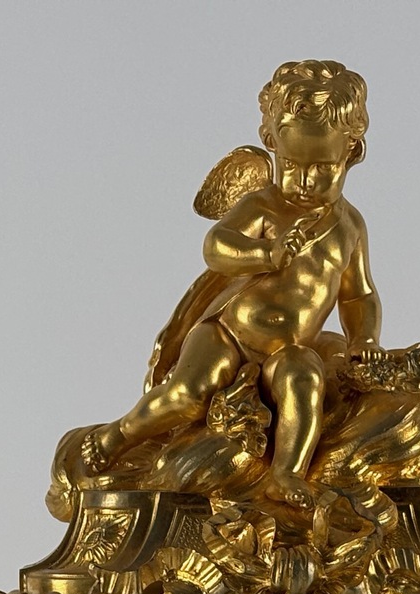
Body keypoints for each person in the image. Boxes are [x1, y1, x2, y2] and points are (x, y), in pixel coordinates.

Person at [70, 60, 381, 506]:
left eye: (323, 168)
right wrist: (266, 254)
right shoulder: (263, 206)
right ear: (271, 142)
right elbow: (216, 246)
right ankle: (118, 436)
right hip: (229, 334)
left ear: (352, 152)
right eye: (291, 165)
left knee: (305, 380)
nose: (305, 182)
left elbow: (359, 294)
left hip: (290, 348)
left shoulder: (350, 226)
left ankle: (287, 474)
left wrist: (364, 338)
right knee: (189, 393)